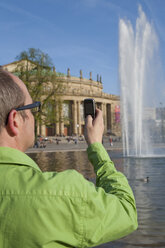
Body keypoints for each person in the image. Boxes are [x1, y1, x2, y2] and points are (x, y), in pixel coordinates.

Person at [0, 67, 138, 247]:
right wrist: (96, 145)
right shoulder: (63, 194)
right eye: (33, 108)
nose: (35, 118)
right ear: (15, 120)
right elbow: (126, 212)